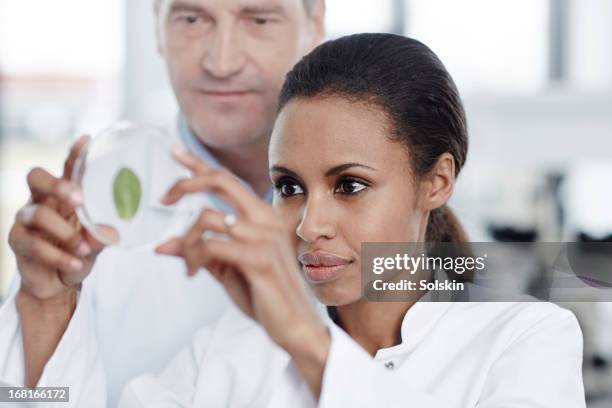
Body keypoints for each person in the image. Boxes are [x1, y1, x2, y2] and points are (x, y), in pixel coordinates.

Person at [116, 33, 586, 407]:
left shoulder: (527, 337)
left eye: (350, 186)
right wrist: (48, 301)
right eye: (290, 187)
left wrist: (310, 344)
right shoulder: (231, 344)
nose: (308, 225)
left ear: (437, 182)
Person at [0, 0, 325, 406]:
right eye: (192, 19)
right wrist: (44, 305)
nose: (221, 62)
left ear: (315, 25)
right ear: (157, 27)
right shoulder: (82, 205)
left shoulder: (394, 218)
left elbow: (420, 379)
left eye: (258, 19)